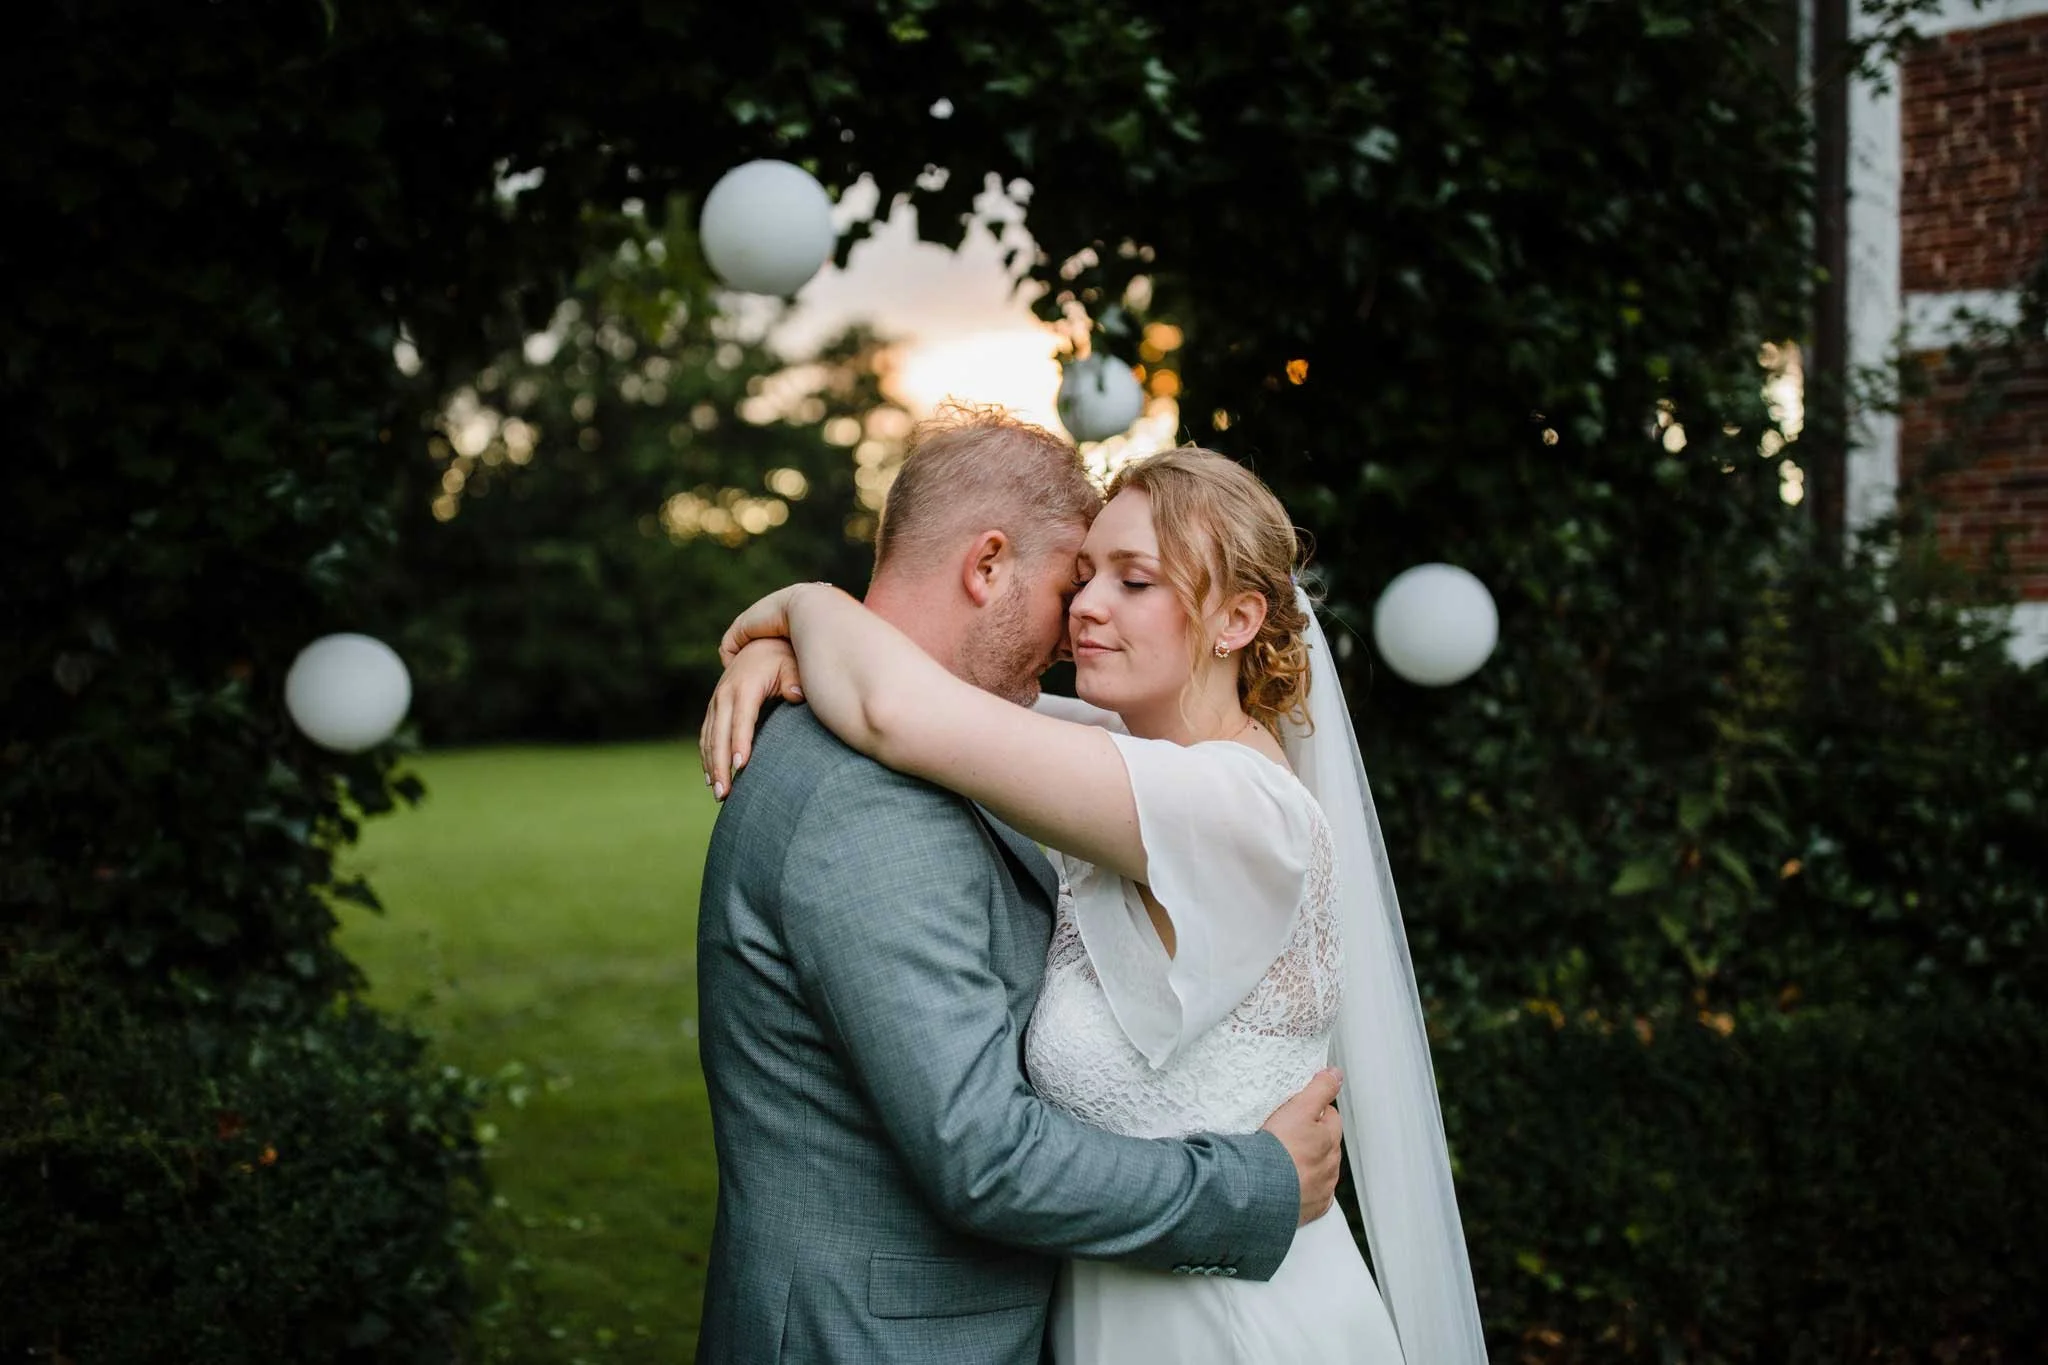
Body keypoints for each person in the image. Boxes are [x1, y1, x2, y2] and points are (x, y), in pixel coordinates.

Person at [703, 444, 1489, 1365]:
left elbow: (897, 705)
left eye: (1133, 579)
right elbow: (910, 691)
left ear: (1240, 618)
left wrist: (802, 605)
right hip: (1110, 1309)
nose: (1085, 606)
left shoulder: (1233, 808)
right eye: (1082, 575)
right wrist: (784, 651)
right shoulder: (1107, 754)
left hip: (1231, 1323)